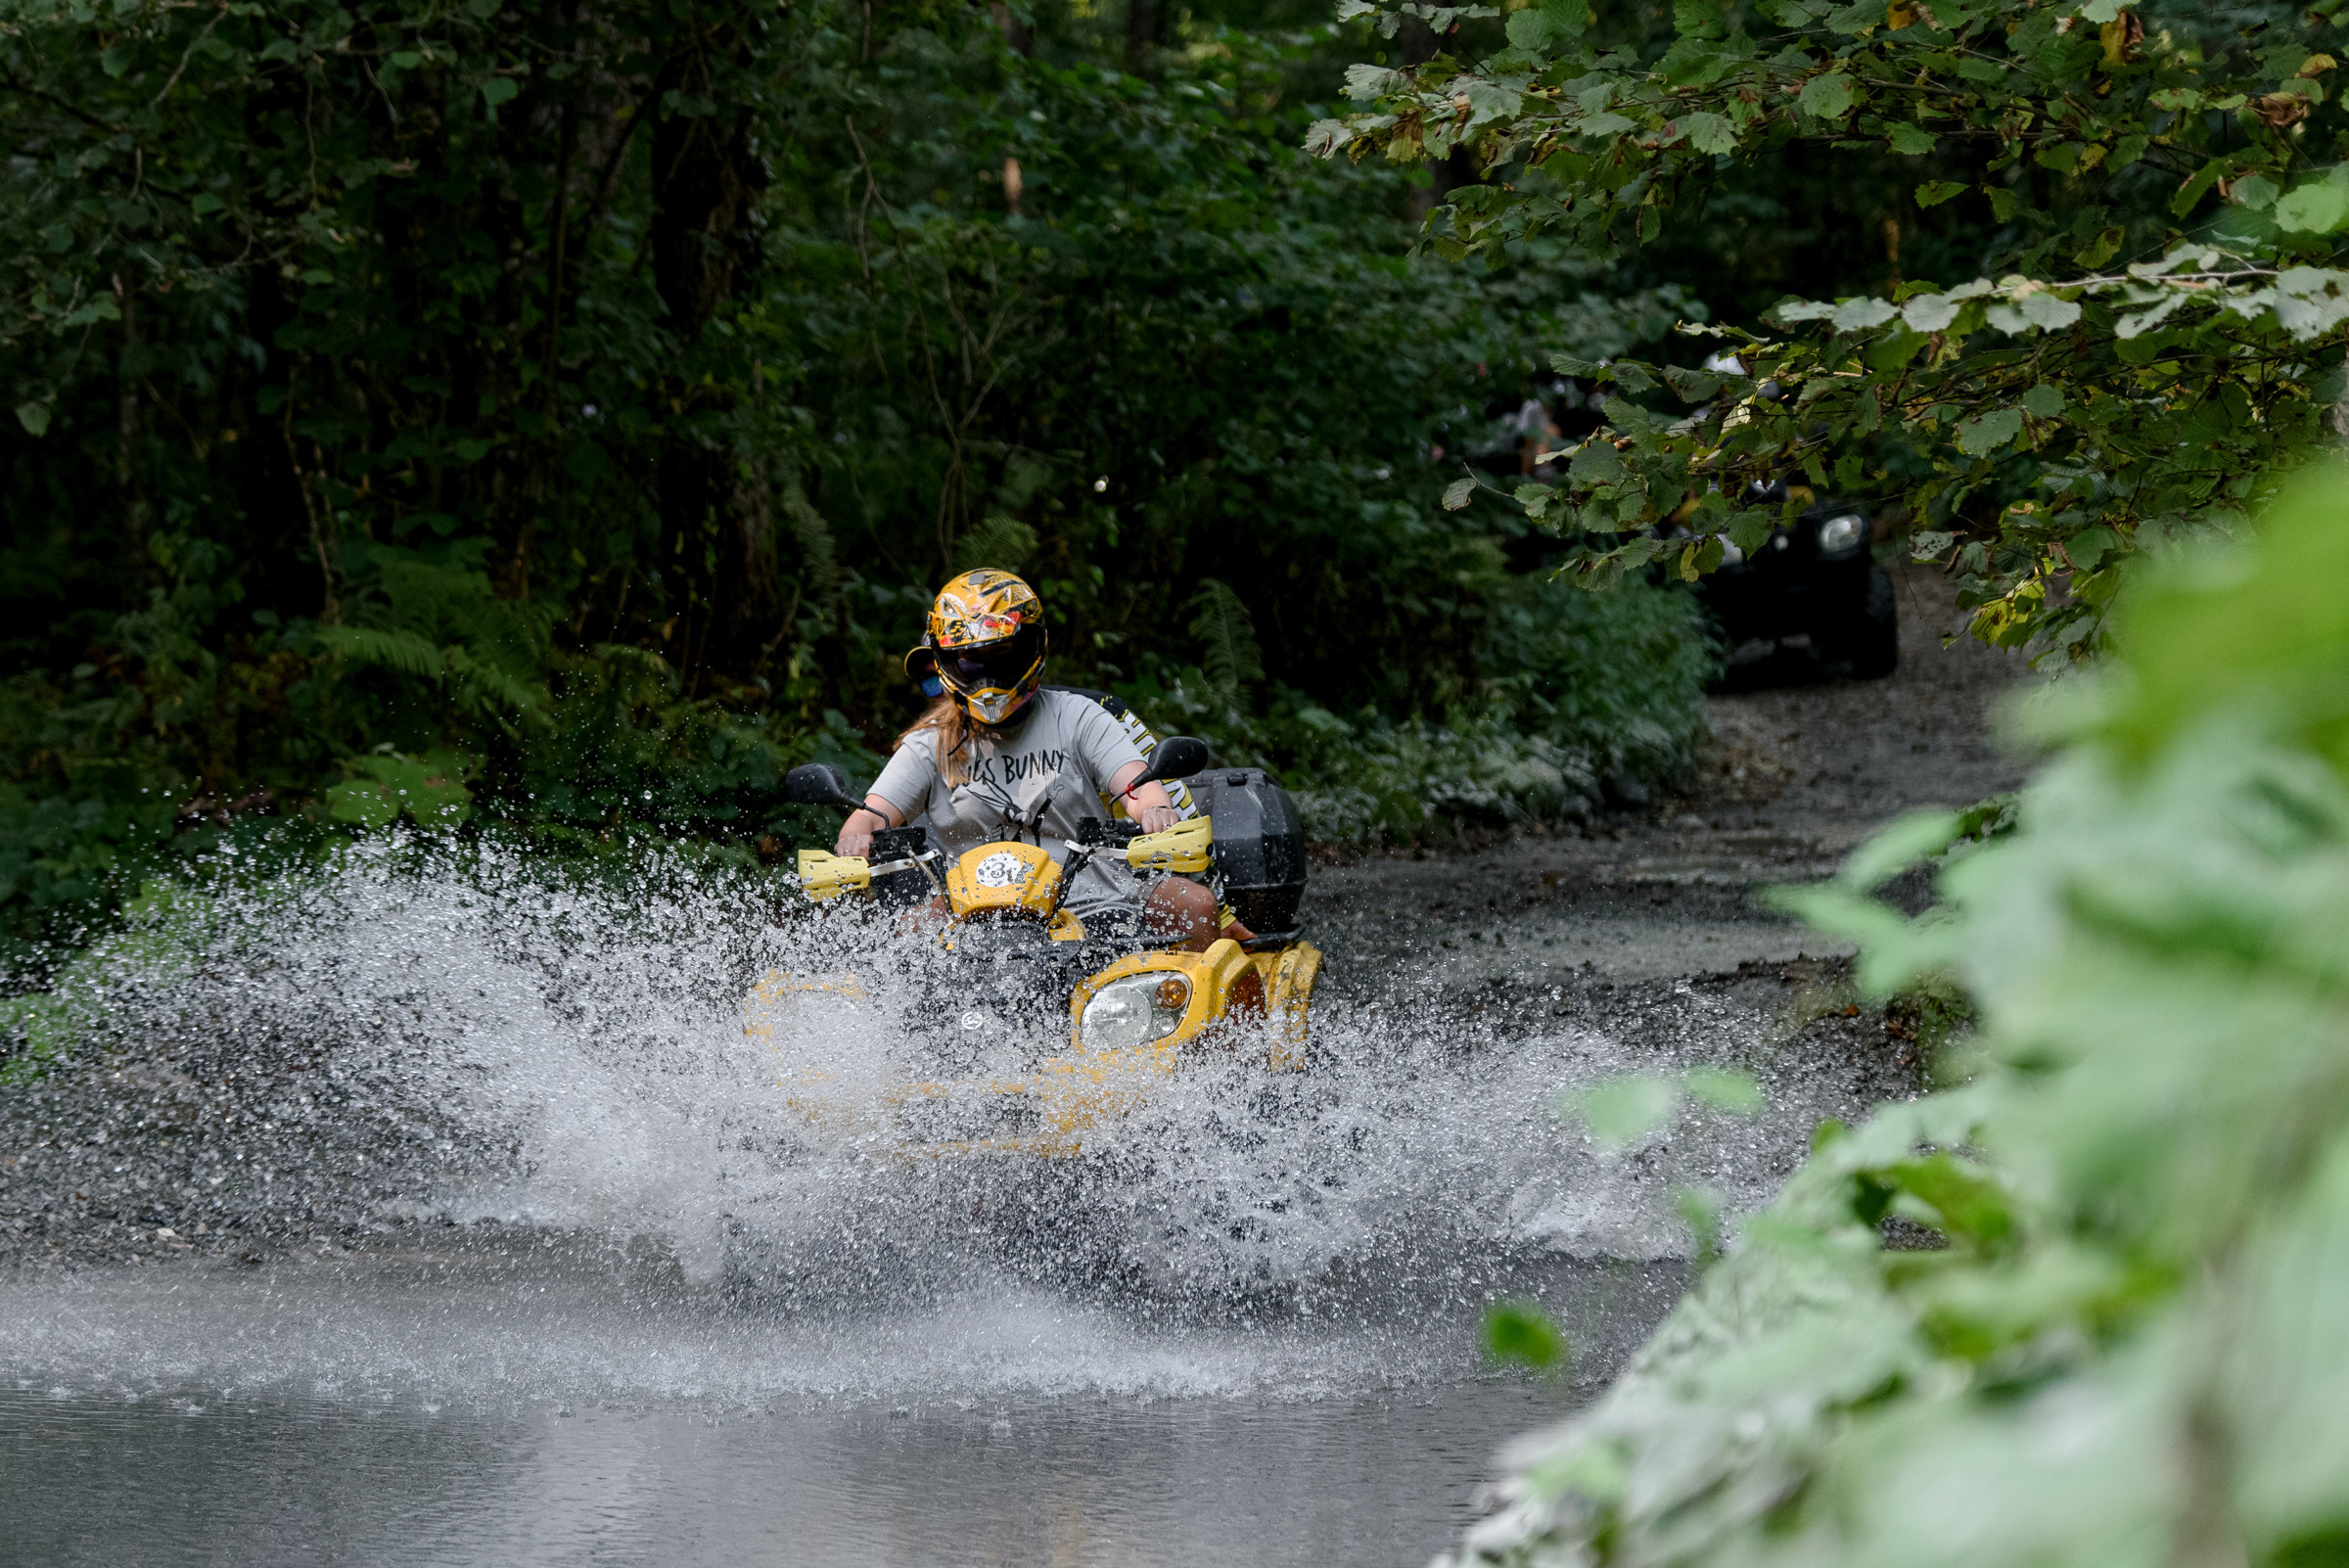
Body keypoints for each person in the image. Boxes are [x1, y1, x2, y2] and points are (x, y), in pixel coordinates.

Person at [835, 569, 1251, 950]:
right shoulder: (929, 744)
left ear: (1033, 646)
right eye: (972, 661)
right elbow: (869, 816)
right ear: (945, 662)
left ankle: (1191, 1008)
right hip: (971, 914)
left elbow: (1137, 786)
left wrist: (1155, 811)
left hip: (1094, 902)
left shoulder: (1080, 716)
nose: (988, 677)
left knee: (1196, 905)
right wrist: (855, 839)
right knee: (904, 935)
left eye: (1002, 654)